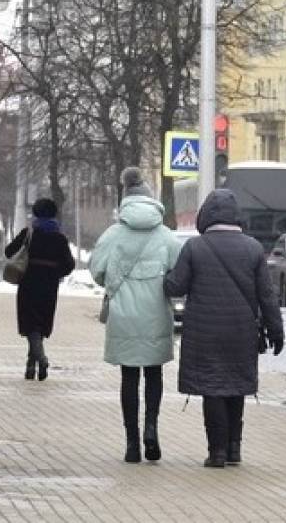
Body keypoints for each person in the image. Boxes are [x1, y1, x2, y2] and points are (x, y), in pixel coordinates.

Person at [164, 189, 284, 468]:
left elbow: (176, 286)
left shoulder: (195, 247)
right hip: (241, 332)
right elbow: (267, 295)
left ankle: (216, 451)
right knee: (236, 387)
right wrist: (275, 331)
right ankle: (234, 450)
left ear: (205, 216)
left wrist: (163, 277)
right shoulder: (253, 247)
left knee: (213, 389)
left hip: (204, 332)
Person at [90, 168, 181, 464]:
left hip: (124, 316)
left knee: (129, 377)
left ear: (125, 202)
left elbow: (97, 271)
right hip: (156, 315)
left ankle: (131, 443)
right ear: (151, 201)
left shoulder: (113, 234)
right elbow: (179, 274)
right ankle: (152, 429)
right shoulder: (166, 236)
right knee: (153, 374)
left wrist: (117, 285)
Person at [5, 197, 76, 381]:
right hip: (49, 286)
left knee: (31, 325)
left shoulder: (29, 234)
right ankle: (31, 365)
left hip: (28, 284)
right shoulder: (60, 238)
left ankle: (40, 360)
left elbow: (9, 251)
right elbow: (69, 265)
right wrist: (54, 271)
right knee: (41, 324)